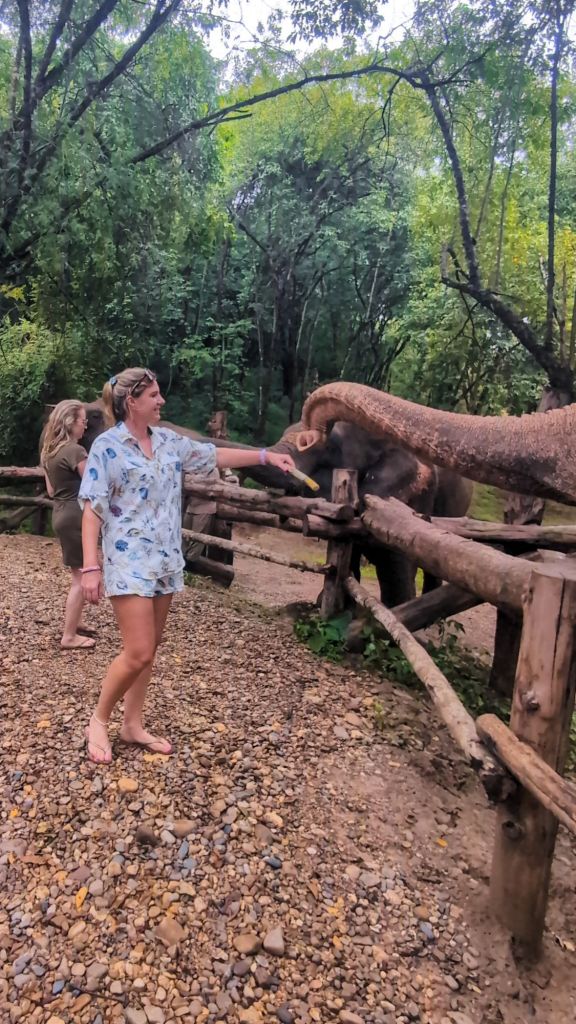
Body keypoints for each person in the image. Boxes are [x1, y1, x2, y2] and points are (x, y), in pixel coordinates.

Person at [79, 367, 295, 764]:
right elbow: (92, 508)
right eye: (154, 395)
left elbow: (214, 454)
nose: (162, 401)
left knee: (150, 648)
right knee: (139, 651)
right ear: (133, 402)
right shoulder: (106, 447)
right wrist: (90, 566)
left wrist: (265, 455)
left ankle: (133, 724)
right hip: (128, 561)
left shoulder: (167, 443)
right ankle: (98, 718)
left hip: (164, 559)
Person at [41, 399, 96, 650]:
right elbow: (95, 486)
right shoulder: (75, 451)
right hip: (76, 515)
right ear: (70, 422)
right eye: (83, 421)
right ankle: (69, 636)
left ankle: (76, 622)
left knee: (80, 573)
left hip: (61, 514)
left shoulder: (48, 452)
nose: (85, 426)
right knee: (81, 578)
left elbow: (51, 492)